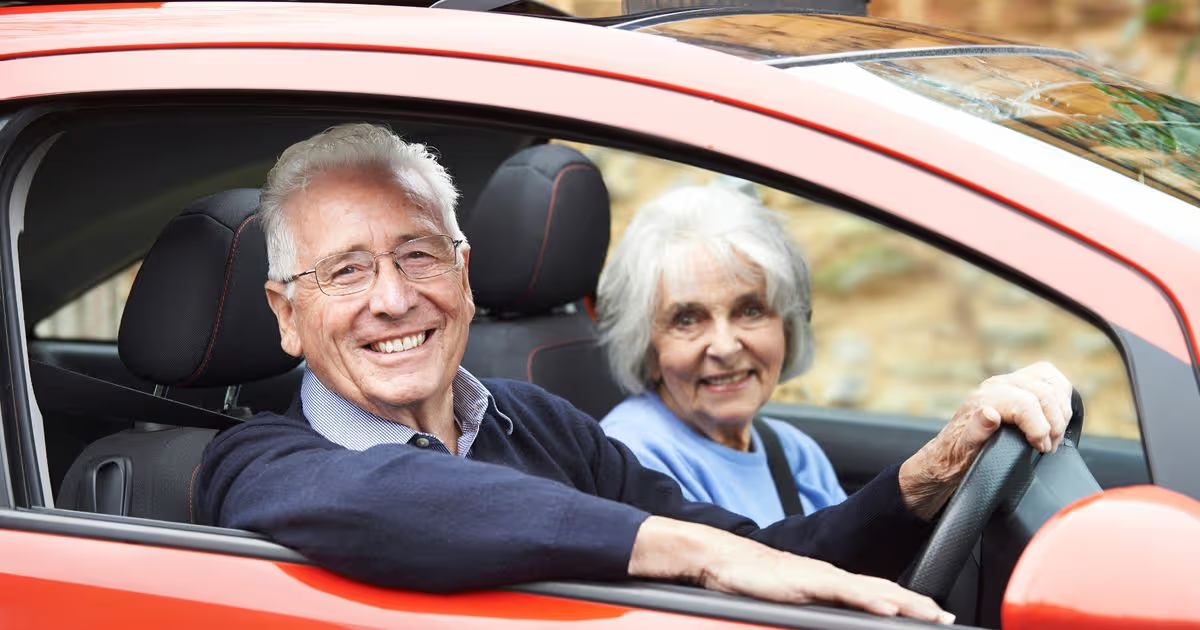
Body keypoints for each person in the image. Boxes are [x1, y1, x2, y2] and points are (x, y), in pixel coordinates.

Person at [194, 123, 1075, 625]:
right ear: (284, 314)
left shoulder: (536, 423)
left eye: (419, 255)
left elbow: (767, 560)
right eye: (345, 271)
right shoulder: (257, 462)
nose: (392, 299)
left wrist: (930, 476)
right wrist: (688, 556)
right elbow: (395, 495)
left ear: (464, 275)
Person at [598, 185, 846, 526]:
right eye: (687, 319)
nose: (726, 347)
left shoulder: (795, 451)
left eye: (750, 310)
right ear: (646, 348)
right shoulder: (632, 461)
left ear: (787, 326)